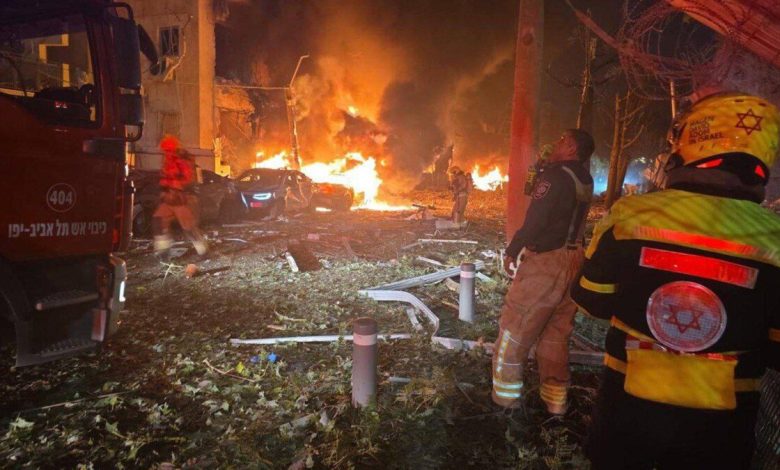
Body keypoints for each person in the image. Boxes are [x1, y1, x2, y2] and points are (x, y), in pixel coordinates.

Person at [570, 92, 780, 469]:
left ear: (695, 139)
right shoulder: (775, 238)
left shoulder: (631, 216)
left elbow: (591, 299)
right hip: (721, 431)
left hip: (627, 413)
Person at [493, 129, 594, 413]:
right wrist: (541, 167)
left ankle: (505, 404)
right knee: (555, 336)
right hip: (574, 259)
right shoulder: (584, 178)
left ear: (572, 147)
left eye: (562, 140)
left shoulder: (555, 176)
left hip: (546, 264)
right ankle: (555, 405)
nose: (556, 143)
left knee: (513, 331)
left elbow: (536, 218)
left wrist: (513, 249)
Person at [152, 135, 208, 259]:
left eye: (167, 150)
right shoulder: (168, 159)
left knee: (188, 227)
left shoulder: (183, 160)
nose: (165, 152)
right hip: (170, 198)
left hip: (181, 199)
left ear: (172, 149)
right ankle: (163, 251)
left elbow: (188, 179)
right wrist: (164, 190)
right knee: (158, 221)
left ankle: (203, 251)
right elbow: (165, 178)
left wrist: (173, 187)